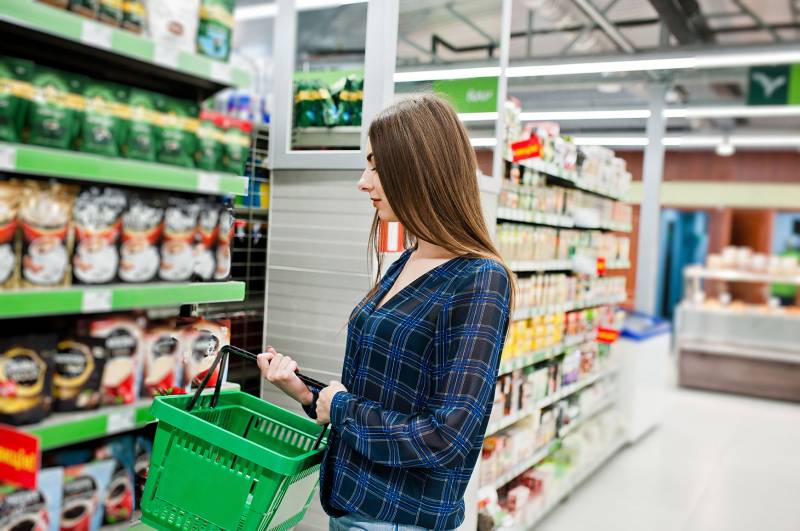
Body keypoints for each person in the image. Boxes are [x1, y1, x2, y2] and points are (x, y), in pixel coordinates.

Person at [258, 95, 514, 531]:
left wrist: (340, 408)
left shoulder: (479, 279)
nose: (363, 181)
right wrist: (307, 394)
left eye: (376, 166)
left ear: (419, 169)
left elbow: (445, 436)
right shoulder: (409, 259)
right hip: (354, 506)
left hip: (398, 520)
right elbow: (382, 395)